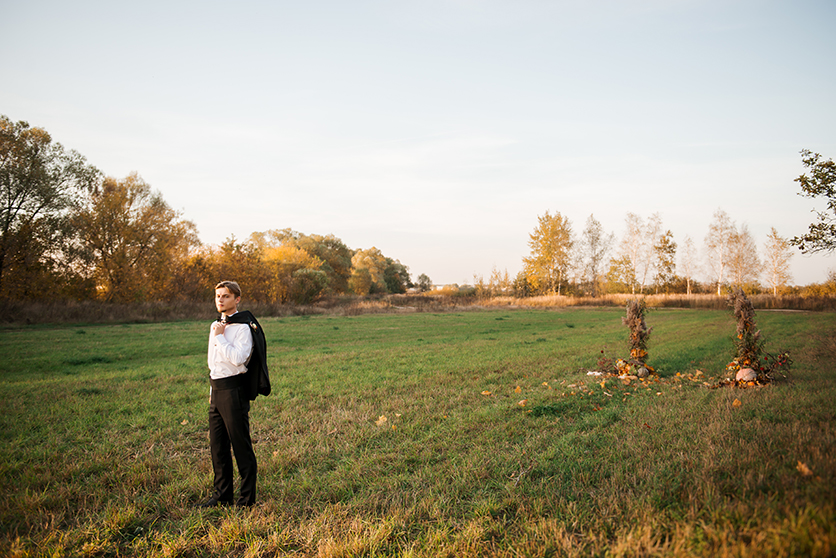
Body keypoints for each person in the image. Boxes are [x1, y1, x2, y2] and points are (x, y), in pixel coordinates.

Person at [198, 280, 258, 508]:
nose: (220, 300)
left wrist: (221, 336)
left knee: (241, 446)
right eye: (218, 296)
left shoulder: (243, 327)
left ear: (237, 299)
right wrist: (212, 391)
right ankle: (222, 495)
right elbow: (213, 362)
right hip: (217, 390)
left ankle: (246, 499)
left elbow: (238, 358)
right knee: (218, 447)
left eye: (226, 296)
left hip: (234, 391)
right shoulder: (215, 325)